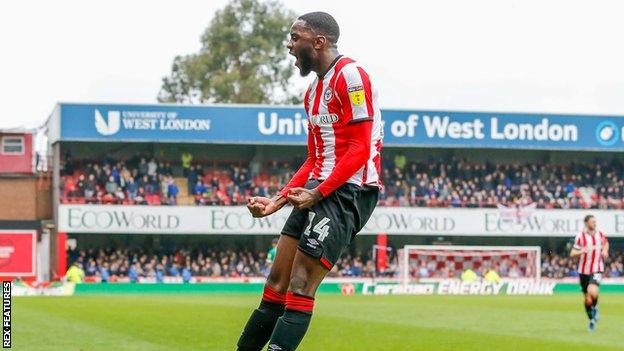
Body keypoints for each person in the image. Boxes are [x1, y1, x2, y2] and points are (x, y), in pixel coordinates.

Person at [237, 12, 383, 351]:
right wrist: (278, 200)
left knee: (300, 285)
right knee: (276, 283)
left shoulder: (352, 77)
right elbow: (314, 158)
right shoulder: (312, 92)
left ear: (319, 42)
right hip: (318, 187)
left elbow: (360, 149)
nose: (289, 46)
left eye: (295, 37)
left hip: (350, 190)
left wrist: (318, 192)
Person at [570, 214, 609, 332]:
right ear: (586, 223)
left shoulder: (600, 234)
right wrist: (582, 251)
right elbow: (572, 253)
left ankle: (595, 306)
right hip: (583, 271)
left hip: (597, 268)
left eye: (595, 222)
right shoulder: (580, 237)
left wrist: (605, 250)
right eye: (592, 222)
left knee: (593, 291)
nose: (595, 224)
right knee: (587, 299)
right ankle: (591, 320)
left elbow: (606, 243)